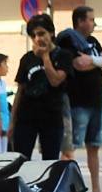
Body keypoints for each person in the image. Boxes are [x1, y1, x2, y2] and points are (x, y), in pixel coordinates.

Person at [55, 5, 102, 192]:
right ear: (80, 21)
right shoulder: (67, 39)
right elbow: (78, 65)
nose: (94, 23)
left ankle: (96, 191)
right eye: (91, 19)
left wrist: (92, 59)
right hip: (77, 103)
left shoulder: (92, 41)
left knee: (94, 146)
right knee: (70, 148)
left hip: (96, 102)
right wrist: (96, 62)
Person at [10, 14, 70, 160]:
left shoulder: (64, 56)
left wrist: (45, 57)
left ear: (51, 33)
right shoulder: (27, 58)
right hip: (26, 117)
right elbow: (20, 90)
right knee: (21, 160)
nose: (38, 39)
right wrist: (12, 121)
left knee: (49, 162)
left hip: (52, 117)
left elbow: (56, 81)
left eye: (42, 33)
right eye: (33, 35)